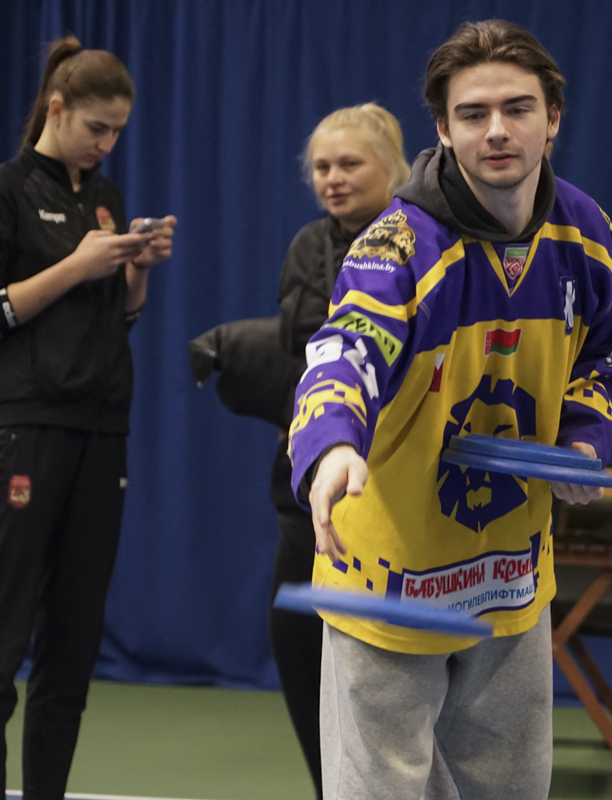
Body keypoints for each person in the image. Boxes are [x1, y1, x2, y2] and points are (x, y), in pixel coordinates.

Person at [287, 19, 612, 800]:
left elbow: (610, 345)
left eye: (518, 108)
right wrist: (333, 446)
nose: (497, 130)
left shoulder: (587, 231)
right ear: (444, 130)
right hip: (387, 573)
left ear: (553, 117)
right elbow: (346, 348)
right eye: (473, 114)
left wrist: (584, 437)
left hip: (509, 574)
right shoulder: (395, 243)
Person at [0, 36, 176, 798]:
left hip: (102, 435)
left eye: (117, 131)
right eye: (96, 127)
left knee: (72, 655)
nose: (106, 143)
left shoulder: (104, 197)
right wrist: (75, 266)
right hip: (20, 432)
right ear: (57, 109)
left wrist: (135, 270)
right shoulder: (1, 192)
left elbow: (118, 319)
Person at [269, 102, 410, 794]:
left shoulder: (419, 242)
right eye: (322, 167)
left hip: (397, 484)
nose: (333, 178)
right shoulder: (307, 245)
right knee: (297, 638)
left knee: (385, 663)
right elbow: (299, 353)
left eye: (350, 163)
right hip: (312, 482)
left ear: (393, 168)